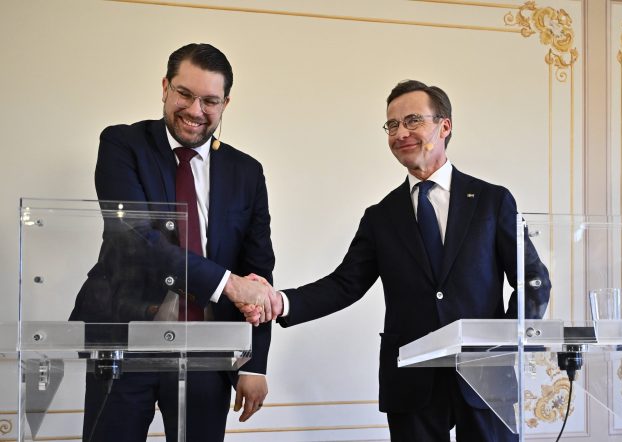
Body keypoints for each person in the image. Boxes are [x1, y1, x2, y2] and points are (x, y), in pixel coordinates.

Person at [242, 80, 551, 441]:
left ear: (444, 126)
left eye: (413, 120)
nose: (401, 133)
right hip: (410, 382)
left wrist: (504, 344)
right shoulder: (381, 216)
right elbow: (345, 285)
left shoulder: (492, 201)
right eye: (392, 124)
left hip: (485, 378)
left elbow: (533, 279)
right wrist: (280, 301)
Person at [69, 43, 275, 442]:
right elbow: (136, 241)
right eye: (185, 94)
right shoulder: (122, 145)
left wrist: (254, 362)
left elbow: (258, 274)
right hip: (126, 343)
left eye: (210, 101)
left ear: (225, 104)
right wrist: (227, 284)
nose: (196, 110)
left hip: (208, 350)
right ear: (165, 87)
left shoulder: (247, 171)